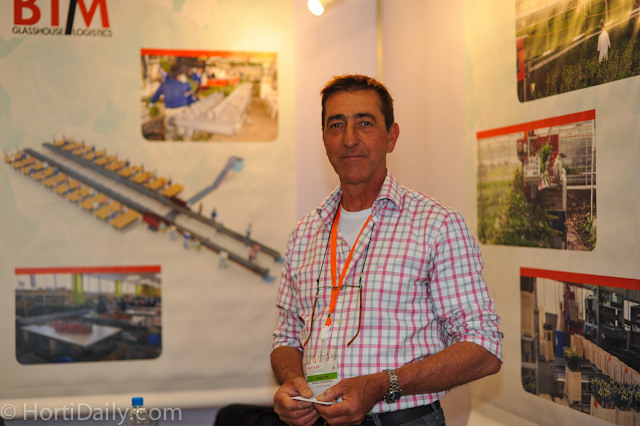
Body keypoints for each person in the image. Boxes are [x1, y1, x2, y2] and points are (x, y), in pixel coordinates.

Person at [271, 75, 503, 426]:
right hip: (316, 419)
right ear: (324, 138)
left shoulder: (435, 225)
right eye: (336, 125)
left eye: (365, 123)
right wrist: (291, 379)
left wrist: (382, 384)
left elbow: (485, 348)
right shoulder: (305, 233)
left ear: (391, 137)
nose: (349, 139)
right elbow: (287, 338)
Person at [149, 63, 194, 138]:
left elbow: (156, 95)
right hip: (181, 110)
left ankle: (170, 140)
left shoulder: (165, 84)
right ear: (179, 75)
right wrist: (185, 81)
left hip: (169, 111)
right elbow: (190, 88)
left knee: (170, 130)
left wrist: (152, 102)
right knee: (181, 130)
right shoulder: (183, 84)